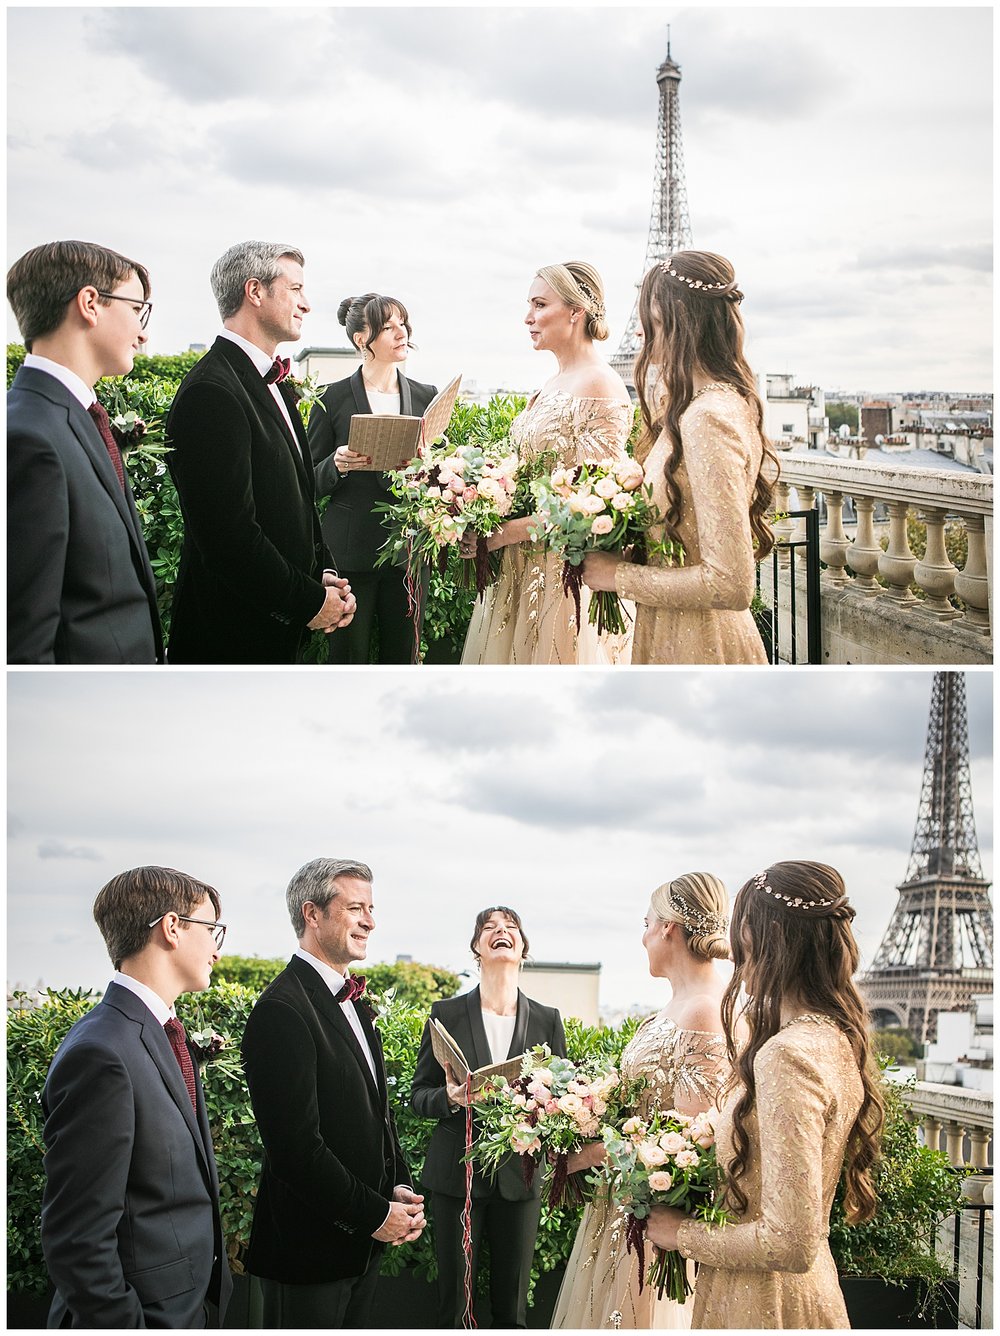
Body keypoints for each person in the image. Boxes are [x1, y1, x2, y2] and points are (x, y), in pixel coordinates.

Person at [647, 861, 885, 1329]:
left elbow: (789, 1242)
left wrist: (681, 1234)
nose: (733, 951)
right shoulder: (834, 1037)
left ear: (763, 940)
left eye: (741, 932)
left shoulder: (786, 1055)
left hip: (761, 1302)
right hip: (800, 1292)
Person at [40, 866, 232, 1327]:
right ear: (171, 928)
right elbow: (77, 1239)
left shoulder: (155, 1032)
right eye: (212, 931)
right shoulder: (102, 1053)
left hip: (183, 1308)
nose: (217, 951)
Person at [241, 858, 424, 1328]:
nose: (369, 921)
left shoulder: (354, 1002)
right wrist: (374, 1215)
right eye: (355, 908)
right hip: (308, 1256)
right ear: (312, 913)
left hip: (358, 1251)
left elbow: (374, 1114)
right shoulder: (282, 1010)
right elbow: (295, 1149)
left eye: (371, 908)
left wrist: (396, 1187)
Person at [551, 873, 731, 1330]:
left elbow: (690, 1147)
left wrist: (589, 1152)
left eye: (646, 922)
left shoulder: (704, 1010)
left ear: (668, 928)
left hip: (652, 1221)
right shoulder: (670, 1008)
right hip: (619, 1207)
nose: (643, 935)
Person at [581, 251, 780, 664]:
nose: (638, 332)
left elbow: (732, 584)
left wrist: (617, 576)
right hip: (674, 631)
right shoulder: (702, 404)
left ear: (673, 316)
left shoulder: (707, 417)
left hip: (699, 643)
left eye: (646, 317)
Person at [166, 241, 356, 663]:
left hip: (277, 631)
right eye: (296, 289)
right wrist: (307, 601)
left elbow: (295, 501)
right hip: (231, 638)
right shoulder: (210, 392)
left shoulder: (274, 382)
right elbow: (228, 536)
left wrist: (321, 574)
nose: (306, 304)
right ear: (255, 292)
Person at [461, 261, 634, 665]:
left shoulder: (601, 384)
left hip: (563, 576)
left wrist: (504, 534)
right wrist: (480, 502)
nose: (528, 317)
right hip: (522, 570)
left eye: (539, 304)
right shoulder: (554, 381)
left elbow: (591, 506)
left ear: (576, 311)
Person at [7, 240, 163, 663]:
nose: (143, 331)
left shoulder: (73, 415)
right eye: (136, 309)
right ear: (90, 303)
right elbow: (24, 644)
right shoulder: (28, 438)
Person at [412, 907, 567, 1328]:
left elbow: (563, 1105)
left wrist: (543, 1111)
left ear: (523, 947)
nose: (501, 932)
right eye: (489, 928)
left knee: (512, 1308)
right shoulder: (445, 1013)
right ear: (477, 948)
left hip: (521, 1179)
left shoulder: (548, 1020)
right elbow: (418, 1096)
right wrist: (449, 1097)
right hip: (454, 1177)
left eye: (511, 928)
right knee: (453, 1306)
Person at [307, 294, 437, 663]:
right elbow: (307, 482)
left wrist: (429, 465)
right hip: (350, 553)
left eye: (403, 323)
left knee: (404, 658)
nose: (402, 332)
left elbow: (439, 479)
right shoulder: (330, 399)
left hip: (409, 554)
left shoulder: (425, 395)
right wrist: (337, 463)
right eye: (388, 326)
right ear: (361, 339)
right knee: (348, 660)